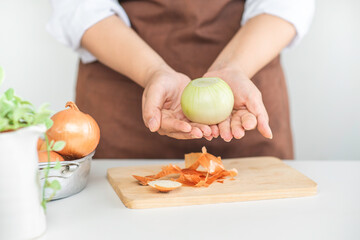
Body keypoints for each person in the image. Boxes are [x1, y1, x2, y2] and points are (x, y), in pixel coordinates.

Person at [47, 0, 314, 159]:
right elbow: (79, 7)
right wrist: (151, 71)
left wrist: (235, 67)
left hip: (245, 85)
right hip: (121, 101)